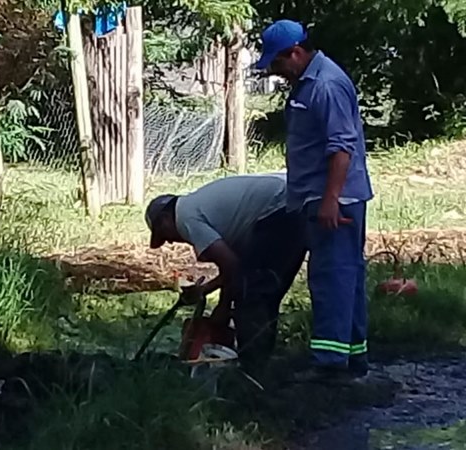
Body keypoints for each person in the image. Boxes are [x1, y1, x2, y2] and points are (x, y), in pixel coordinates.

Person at [255, 19, 374, 384]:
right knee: (346, 275)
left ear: (295, 52)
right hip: (325, 196)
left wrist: (330, 200)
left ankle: (329, 365)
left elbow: (342, 147)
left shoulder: (326, 84)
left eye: (277, 63)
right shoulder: (307, 83)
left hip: (334, 199)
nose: (276, 71)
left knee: (331, 277)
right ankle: (352, 356)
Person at [145, 173, 306, 371]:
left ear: (164, 219)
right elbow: (234, 265)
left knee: (251, 295)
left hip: (278, 210)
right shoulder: (206, 210)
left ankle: (252, 370)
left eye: (164, 235)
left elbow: (233, 266)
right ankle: (260, 366)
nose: (170, 241)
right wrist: (218, 299)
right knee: (264, 293)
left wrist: (209, 294)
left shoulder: (185, 217)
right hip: (294, 204)